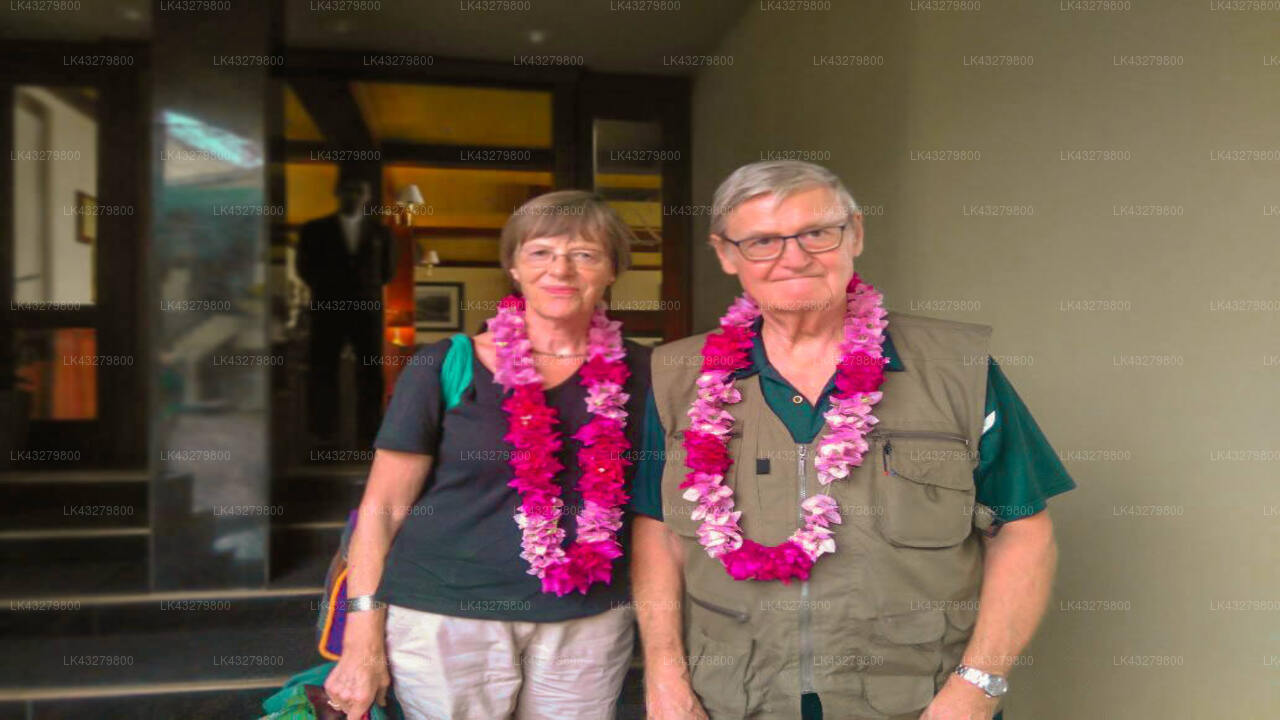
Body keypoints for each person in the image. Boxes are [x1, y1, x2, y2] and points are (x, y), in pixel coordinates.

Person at [630, 160, 1076, 720]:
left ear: (856, 234)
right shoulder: (678, 376)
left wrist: (977, 687)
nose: (794, 257)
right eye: (763, 240)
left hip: (920, 701)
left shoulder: (956, 368)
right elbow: (659, 532)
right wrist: (665, 679)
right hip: (733, 699)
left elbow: (1022, 529)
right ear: (726, 253)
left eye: (817, 232)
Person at [323, 190, 651, 720]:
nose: (560, 269)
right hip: (445, 617)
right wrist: (361, 637)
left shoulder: (647, 373)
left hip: (586, 619)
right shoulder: (444, 365)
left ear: (612, 270)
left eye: (585, 254)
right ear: (514, 267)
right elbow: (381, 508)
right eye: (540, 252)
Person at [296, 175, 395, 449]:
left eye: (359, 190)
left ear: (367, 196)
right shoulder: (314, 230)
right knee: (322, 369)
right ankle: (322, 433)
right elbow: (304, 269)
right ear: (337, 193)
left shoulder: (381, 233)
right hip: (327, 308)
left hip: (367, 309)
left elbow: (387, 272)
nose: (353, 195)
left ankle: (370, 433)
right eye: (348, 190)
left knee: (370, 371)